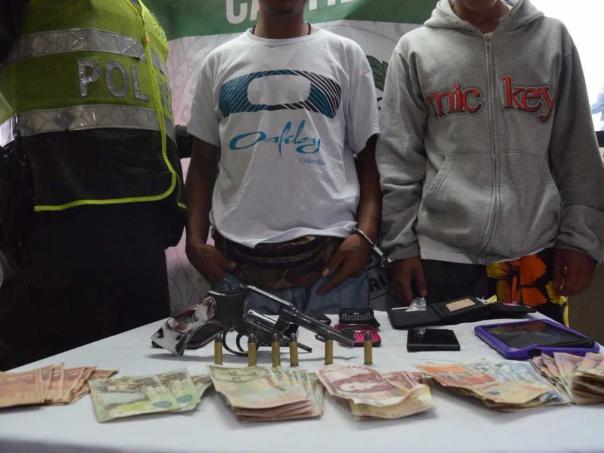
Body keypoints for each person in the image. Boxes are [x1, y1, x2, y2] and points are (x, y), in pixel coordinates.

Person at [377, 0, 604, 323]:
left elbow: (576, 150)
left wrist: (581, 241)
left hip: (533, 258)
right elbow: (399, 160)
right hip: (440, 261)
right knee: (442, 359)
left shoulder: (552, 39)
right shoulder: (415, 49)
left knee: (536, 357)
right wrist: (400, 248)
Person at [0, 0, 185, 369]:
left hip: (142, 229)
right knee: (50, 385)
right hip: (59, 217)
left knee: (139, 377)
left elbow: (134, 119)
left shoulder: (138, 12)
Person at [185, 0, 381, 316]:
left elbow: (370, 159)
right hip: (239, 272)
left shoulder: (345, 55)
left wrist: (366, 235)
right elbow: (202, 166)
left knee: (344, 354)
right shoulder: (218, 62)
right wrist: (194, 243)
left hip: (333, 271)